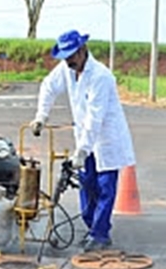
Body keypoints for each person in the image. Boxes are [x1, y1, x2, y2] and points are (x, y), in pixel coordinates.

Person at [30, 29, 136, 252]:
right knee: (86, 185)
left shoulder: (101, 76)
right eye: (65, 57)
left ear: (82, 50)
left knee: (104, 187)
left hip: (106, 139)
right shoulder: (67, 69)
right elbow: (48, 87)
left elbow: (94, 117)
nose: (68, 61)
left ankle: (100, 234)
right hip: (85, 139)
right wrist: (41, 115)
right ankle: (92, 228)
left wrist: (82, 150)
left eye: (71, 56)